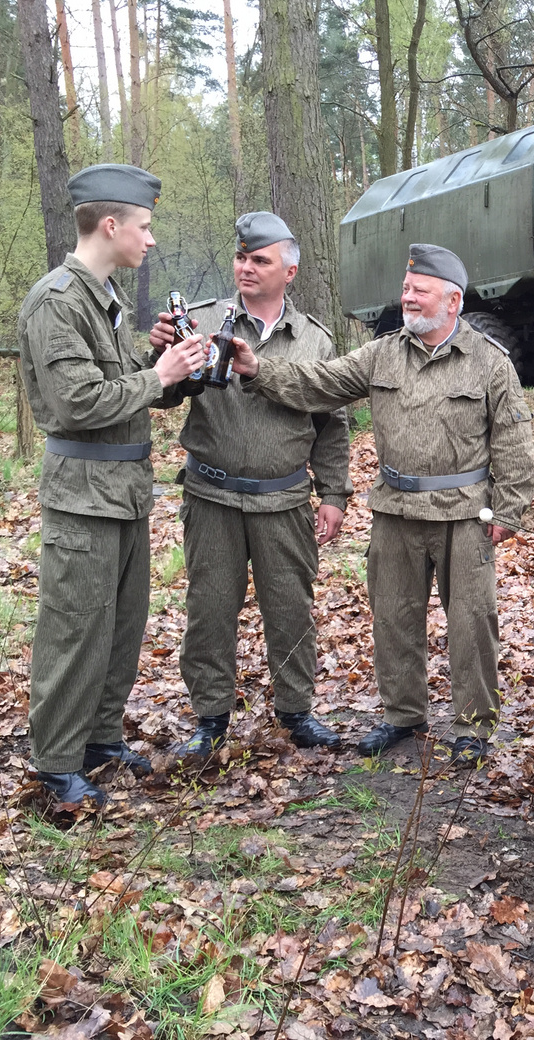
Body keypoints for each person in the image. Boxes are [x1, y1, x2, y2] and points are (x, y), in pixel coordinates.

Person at [226, 244, 534, 759]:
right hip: (394, 512)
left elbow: (514, 443)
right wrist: (259, 370)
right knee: (394, 619)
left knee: (472, 624)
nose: (407, 298)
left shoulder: (489, 363)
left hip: (464, 517)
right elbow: (320, 383)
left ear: (453, 300)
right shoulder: (383, 353)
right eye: (406, 288)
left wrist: (508, 510)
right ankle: (403, 718)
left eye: (419, 291)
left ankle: (474, 729)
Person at [17, 164, 206, 806]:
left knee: (120, 627)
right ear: (110, 225)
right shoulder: (58, 301)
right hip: (82, 498)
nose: (150, 239)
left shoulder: (102, 299)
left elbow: (123, 391)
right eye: (144, 227)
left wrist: (164, 365)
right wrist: (158, 376)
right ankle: (56, 764)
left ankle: (98, 740)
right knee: (73, 631)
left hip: (121, 494)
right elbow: (77, 403)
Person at [148, 212, 351, 756]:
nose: (246, 267)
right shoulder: (202, 320)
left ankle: (296, 712)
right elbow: (163, 396)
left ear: (290, 270)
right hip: (211, 495)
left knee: (290, 609)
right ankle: (210, 720)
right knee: (210, 607)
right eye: (241, 257)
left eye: (260, 259)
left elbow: (330, 423)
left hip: (284, 499)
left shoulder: (313, 339)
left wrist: (333, 494)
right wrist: (161, 356)